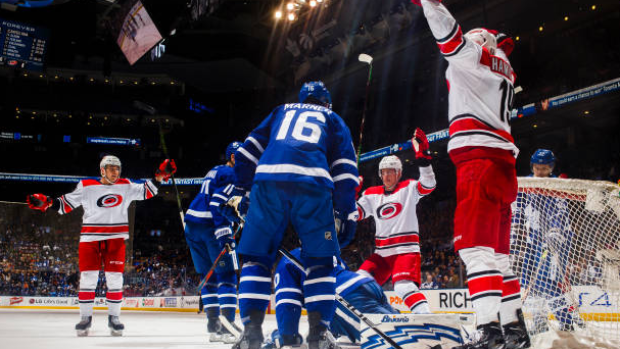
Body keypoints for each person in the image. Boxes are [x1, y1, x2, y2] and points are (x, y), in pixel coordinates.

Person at [414, 1, 530, 348]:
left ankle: (488, 331)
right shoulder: (505, 69)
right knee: (499, 258)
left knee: (475, 252)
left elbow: (448, 37)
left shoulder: (474, 56)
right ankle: (514, 331)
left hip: (478, 162)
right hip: (504, 166)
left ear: (480, 41)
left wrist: (429, 3)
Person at [221, 81, 359, 349]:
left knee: (255, 261)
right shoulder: (333, 118)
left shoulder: (280, 110)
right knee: (320, 262)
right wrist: (346, 210)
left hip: (268, 181)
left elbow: (246, 153)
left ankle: (250, 334)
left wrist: (243, 191)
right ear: (326, 102)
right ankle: (319, 336)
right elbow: (344, 168)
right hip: (313, 182)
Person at [26, 155, 176, 336]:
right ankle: (85, 318)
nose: (115, 171)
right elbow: (64, 205)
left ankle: (114, 318)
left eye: (118, 168)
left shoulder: (126, 185)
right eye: (111, 168)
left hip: (116, 240)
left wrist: (160, 175)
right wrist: (48, 202)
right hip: (90, 240)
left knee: (115, 281)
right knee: (88, 279)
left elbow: (148, 191)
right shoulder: (86, 186)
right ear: (102, 170)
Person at [355, 128, 436, 314]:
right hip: (382, 254)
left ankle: (429, 321)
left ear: (399, 173)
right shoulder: (372, 193)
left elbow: (429, 185)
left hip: (405, 251)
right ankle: (387, 313)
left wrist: (423, 157)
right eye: (383, 172)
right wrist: (352, 192)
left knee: (404, 288)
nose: (386, 176)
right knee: (358, 283)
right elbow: (354, 214)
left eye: (390, 171)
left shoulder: (408, 188)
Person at [263, 248, 398, 349]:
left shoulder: (287, 262)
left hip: (344, 296)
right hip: (368, 284)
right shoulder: (326, 251)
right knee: (404, 328)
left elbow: (287, 304)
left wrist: (283, 336)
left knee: (396, 339)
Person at [512, 149, 581, 333]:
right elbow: (517, 208)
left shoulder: (555, 185)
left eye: (544, 168)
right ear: (532, 166)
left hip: (558, 241)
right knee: (528, 282)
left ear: (551, 167)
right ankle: (540, 321)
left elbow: (560, 213)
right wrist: (515, 229)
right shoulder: (525, 183)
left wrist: (555, 234)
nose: (540, 171)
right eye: (537, 167)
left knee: (546, 283)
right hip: (534, 240)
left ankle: (566, 321)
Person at [184, 141, 242, 343]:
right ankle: (227, 329)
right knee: (227, 277)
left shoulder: (215, 170)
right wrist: (225, 234)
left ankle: (214, 328)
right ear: (233, 157)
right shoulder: (234, 174)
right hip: (211, 227)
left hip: (192, 225)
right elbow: (218, 203)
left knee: (208, 278)